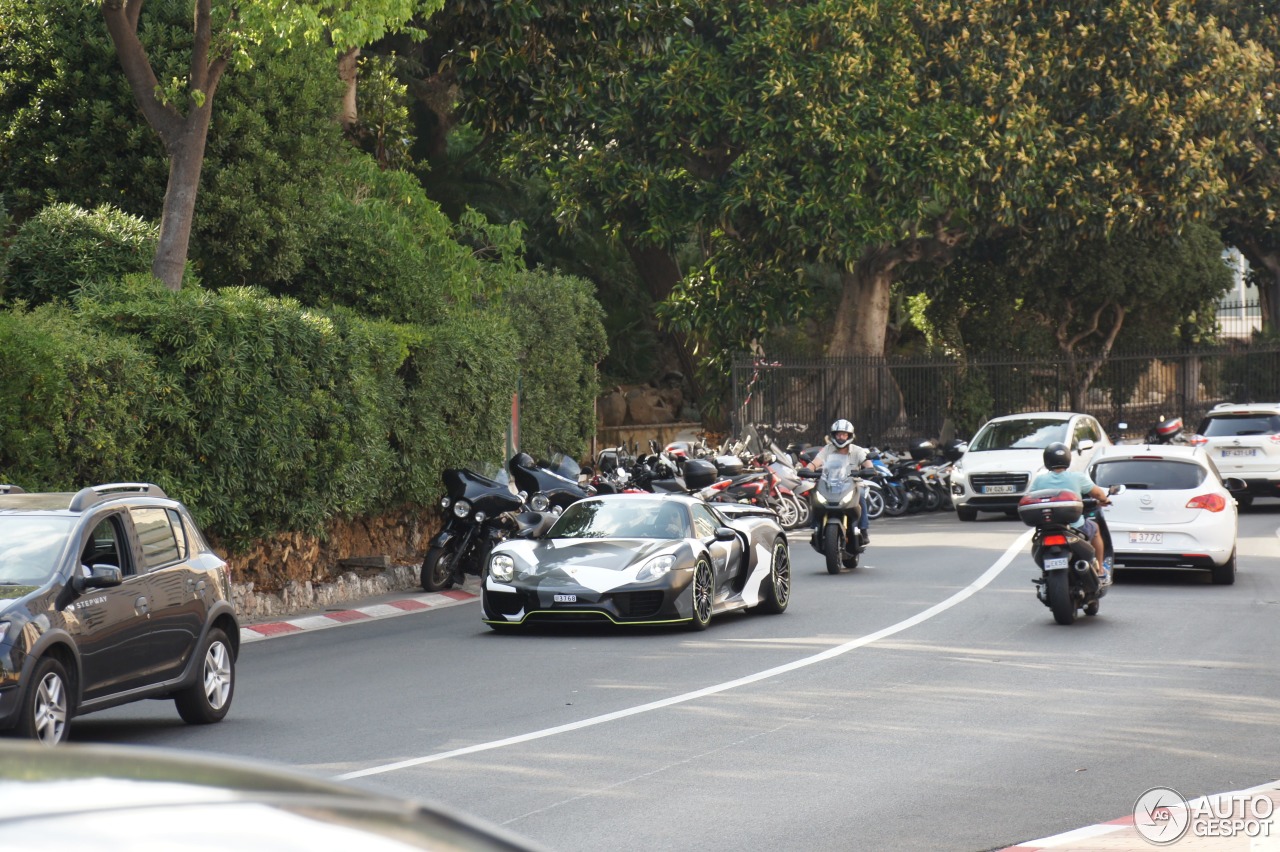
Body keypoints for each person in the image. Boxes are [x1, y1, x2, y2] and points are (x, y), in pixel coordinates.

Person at [1029, 442, 1113, 585]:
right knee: (1096, 529)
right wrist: (1104, 499)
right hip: (1075, 527)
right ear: (1068, 459)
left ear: (1047, 461)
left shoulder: (1040, 480)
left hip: (1047, 527)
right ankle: (1100, 570)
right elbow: (1098, 493)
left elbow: (1029, 498)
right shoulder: (1077, 477)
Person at [810, 418, 874, 542]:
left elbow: (868, 464)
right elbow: (814, 463)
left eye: (844, 434)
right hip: (829, 484)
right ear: (834, 435)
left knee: (861, 496)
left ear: (849, 436)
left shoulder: (857, 450)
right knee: (815, 494)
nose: (841, 437)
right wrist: (807, 470)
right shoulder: (827, 449)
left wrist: (869, 470)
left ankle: (863, 529)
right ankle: (816, 527)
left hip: (852, 484)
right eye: (838, 434)